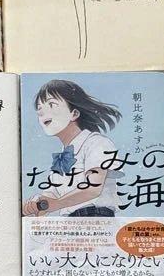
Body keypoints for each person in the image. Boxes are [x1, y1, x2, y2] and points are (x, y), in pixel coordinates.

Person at [22, 80, 123, 218]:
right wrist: (35, 205)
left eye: (51, 105)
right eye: (39, 109)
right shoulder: (61, 160)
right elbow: (50, 196)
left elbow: (93, 188)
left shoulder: (97, 143)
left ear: (74, 114)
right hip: (71, 223)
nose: (42, 113)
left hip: (96, 218)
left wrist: (56, 204)